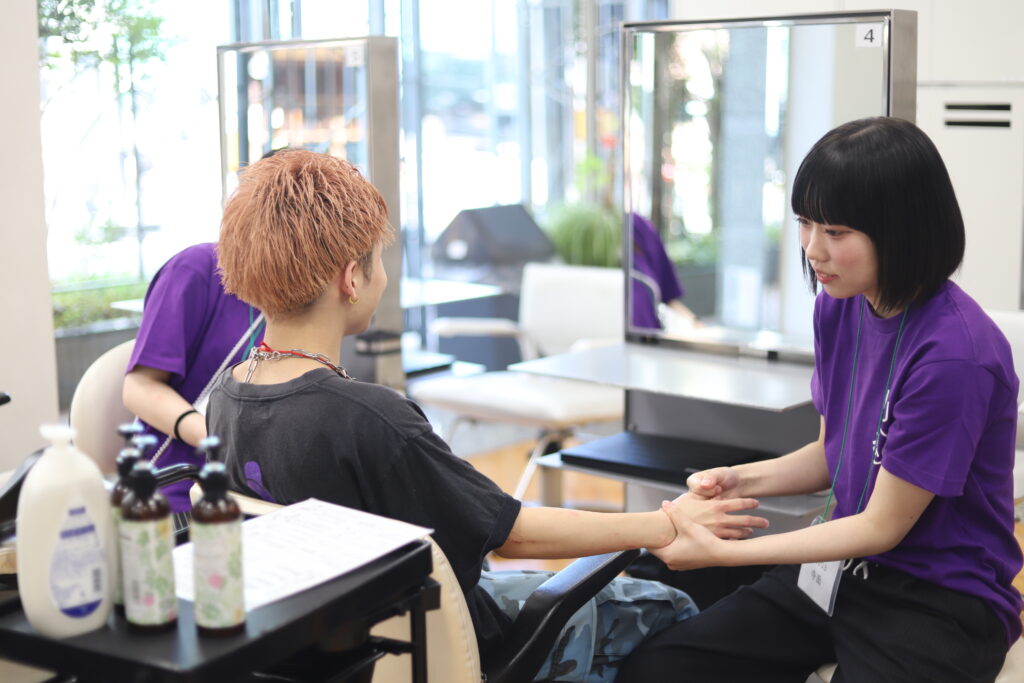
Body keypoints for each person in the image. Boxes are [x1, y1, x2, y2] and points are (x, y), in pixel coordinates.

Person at [207, 149, 770, 681]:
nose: (382, 277)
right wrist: (666, 524)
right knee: (664, 603)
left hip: (336, 653)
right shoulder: (369, 419)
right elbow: (513, 536)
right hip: (457, 643)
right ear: (351, 278)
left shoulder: (227, 397)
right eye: (378, 262)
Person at [619, 117, 1023, 683]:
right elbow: (834, 455)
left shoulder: (955, 355)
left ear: (903, 230)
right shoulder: (840, 305)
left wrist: (721, 551)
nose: (813, 249)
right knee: (659, 668)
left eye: (835, 231)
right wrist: (741, 479)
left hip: (939, 600)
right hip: (842, 568)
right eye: (805, 224)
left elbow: (881, 527)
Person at [122, 242, 264, 518]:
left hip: (261, 493)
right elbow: (138, 387)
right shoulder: (197, 269)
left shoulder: (314, 295)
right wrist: (214, 439)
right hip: (179, 488)